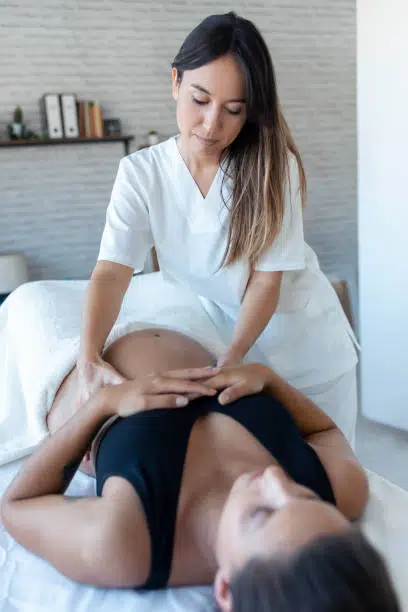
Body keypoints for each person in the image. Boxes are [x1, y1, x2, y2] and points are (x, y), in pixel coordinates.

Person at [76, 11, 359, 446]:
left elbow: (266, 282)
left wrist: (234, 356)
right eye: (200, 99)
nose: (211, 125)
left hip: (304, 349)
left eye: (233, 110)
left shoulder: (270, 166)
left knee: (326, 487)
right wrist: (88, 357)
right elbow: (112, 272)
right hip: (225, 345)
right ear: (175, 82)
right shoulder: (141, 174)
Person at [1, 329, 399, 610]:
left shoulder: (125, 543)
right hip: (196, 323)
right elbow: (326, 431)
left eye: (261, 514)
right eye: (303, 495)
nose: (276, 480)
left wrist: (103, 405)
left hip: (73, 353)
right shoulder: (341, 489)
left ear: (225, 590)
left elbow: (18, 505)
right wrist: (269, 381)